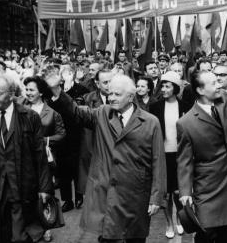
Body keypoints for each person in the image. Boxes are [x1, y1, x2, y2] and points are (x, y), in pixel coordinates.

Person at [48, 74, 166, 243]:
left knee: (135, 238)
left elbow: (158, 161)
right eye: (110, 94)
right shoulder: (103, 113)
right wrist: (56, 89)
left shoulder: (150, 122)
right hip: (107, 192)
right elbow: (76, 113)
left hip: (136, 194)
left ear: (131, 96)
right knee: (107, 237)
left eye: (117, 94)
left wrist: (156, 197)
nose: (111, 98)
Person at [176, 60, 227, 243]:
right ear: (199, 90)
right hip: (207, 188)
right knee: (205, 234)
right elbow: (185, 161)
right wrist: (185, 192)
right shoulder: (186, 123)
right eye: (213, 83)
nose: (219, 85)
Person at [0, 73, 52, 243]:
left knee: (20, 235)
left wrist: (44, 188)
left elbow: (40, 155)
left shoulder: (29, 117)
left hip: (22, 186)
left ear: (11, 94)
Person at [23, 76, 66, 242]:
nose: (28, 93)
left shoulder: (52, 113)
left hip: (45, 159)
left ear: (40, 92)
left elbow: (62, 134)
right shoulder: (20, 108)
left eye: (31, 90)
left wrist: (46, 141)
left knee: (45, 193)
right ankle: (31, 226)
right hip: (25, 158)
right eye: (26, 89)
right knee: (28, 193)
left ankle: (47, 225)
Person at [149, 71, 186, 239]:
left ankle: (179, 220)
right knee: (166, 193)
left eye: (167, 86)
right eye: (162, 86)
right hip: (162, 155)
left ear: (175, 88)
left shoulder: (184, 105)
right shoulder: (155, 106)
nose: (164, 89)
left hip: (179, 155)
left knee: (179, 191)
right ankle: (169, 223)